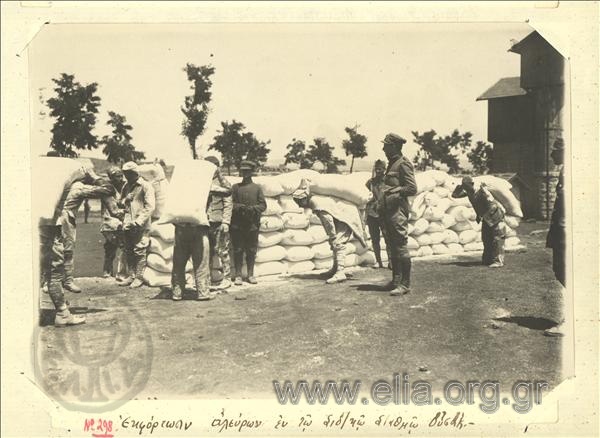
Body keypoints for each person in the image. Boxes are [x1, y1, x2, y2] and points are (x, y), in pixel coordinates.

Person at [292, 179, 367, 284]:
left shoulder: (315, 202)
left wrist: (332, 235)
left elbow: (328, 220)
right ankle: (335, 269)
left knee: (338, 243)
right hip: (341, 217)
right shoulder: (315, 200)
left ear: (304, 199)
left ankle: (340, 272)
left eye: (299, 202)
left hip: (347, 216)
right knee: (335, 243)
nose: (299, 205)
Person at [59, 170, 115, 293]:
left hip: (51, 218)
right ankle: (67, 280)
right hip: (64, 219)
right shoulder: (78, 187)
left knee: (51, 250)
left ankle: (49, 282)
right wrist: (95, 178)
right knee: (67, 250)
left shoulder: (59, 184)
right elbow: (108, 189)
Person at [378, 133, 417, 296]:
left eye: (386, 145)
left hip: (398, 211)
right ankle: (396, 280)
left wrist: (395, 190)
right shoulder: (391, 164)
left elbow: (412, 188)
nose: (383, 148)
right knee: (392, 246)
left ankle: (405, 284)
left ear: (394, 146)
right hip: (389, 210)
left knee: (400, 246)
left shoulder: (403, 164)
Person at [451, 176, 507, 268]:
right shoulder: (469, 193)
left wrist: (483, 214)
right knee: (486, 238)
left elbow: (492, 204)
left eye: (466, 186)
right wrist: (459, 188)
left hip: (495, 215)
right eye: (464, 186)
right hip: (485, 216)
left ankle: (498, 261)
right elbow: (454, 196)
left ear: (472, 184)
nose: (465, 188)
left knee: (497, 238)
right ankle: (487, 260)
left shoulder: (481, 191)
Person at [119, 161, 155, 288]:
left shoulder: (145, 186)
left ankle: (139, 277)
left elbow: (150, 207)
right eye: (125, 174)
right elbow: (120, 202)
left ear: (135, 173)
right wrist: (125, 200)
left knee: (139, 250)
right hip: (127, 222)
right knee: (128, 250)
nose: (127, 176)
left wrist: (138, 221)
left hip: (140, 224)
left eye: (129, 173)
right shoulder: (126, 186)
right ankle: (131, 275)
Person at [230, 160, 266, 285]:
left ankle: (250, 274)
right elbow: (230, 204)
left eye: (247, 171)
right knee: (238, 249)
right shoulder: (235, 188)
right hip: (237, 225)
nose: (244, 173)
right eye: (243, 171)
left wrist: (253, 209)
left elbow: (263, 206)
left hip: (252, 225)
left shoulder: (257, 189)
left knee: (251, 250)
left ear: (252, 172)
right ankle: (238, 275)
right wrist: (239, 207)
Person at [544, 138, 566, 337]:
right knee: (560, 270)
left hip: (567, 231)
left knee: (565, 271)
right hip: (561, 228)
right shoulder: (564, 171)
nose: (552, 155)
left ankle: (569, 321)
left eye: (555, 151)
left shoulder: (571, 172)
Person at [204, 156, 233, 291]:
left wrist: (226, 222)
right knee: (206, 251)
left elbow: (228, 204)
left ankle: (227, 278)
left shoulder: (223, 183)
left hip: (218, 221)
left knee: (223, 250)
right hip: (204, 221)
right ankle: (207, 278)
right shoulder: (202, 181)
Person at [100, 167, 127, 279]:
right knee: (112, 248)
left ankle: (119, 272)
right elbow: (114, 208)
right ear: (111, 178)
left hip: (119, 222)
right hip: (110, 222)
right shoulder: (107, 189)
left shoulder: (124, 187)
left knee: (121, 248)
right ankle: (109, 272)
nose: (120, 178)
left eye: (121, 176)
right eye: (117, 176)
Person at [365, 159, 391, 268]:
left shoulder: (388, 182)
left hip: (384, 213)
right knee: (375, 239)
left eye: (381, 169)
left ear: (385, 170)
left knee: (388, 238)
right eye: (377, 169)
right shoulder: (370, 183)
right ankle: (378, 261)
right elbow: (365, 195)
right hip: (372, 214)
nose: (378, 171)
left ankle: (391, 261)